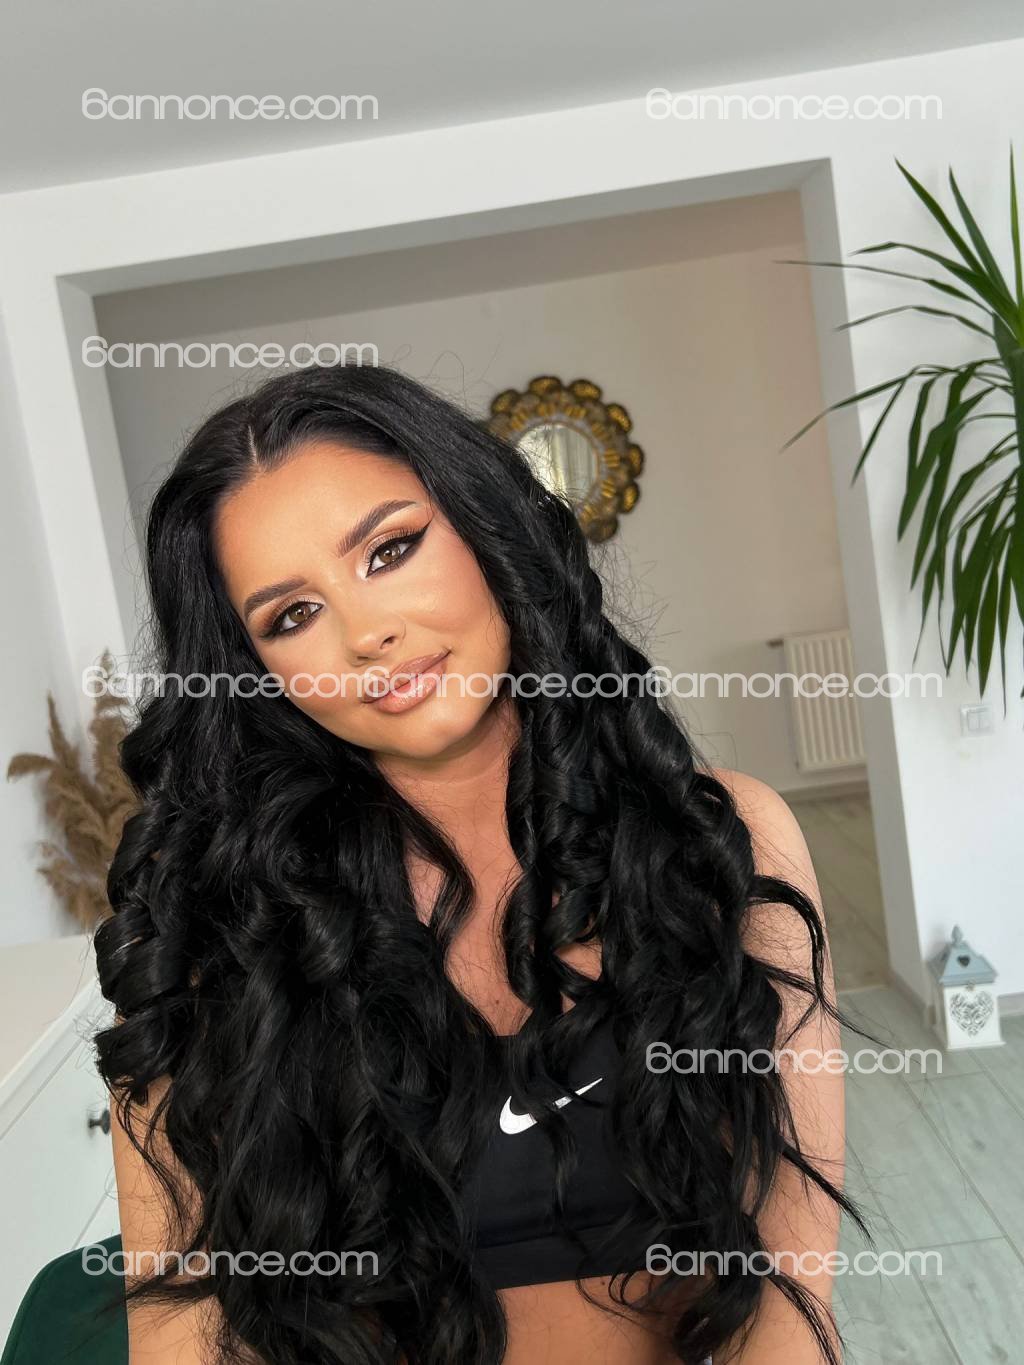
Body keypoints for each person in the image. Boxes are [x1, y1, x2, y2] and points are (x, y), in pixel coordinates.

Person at [92, 363, 855, 1365]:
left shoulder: (722, 838)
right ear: (257, 673)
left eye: (390, 550)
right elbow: (178, 1332)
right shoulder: (210, 925)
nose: (367, 634)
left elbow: (793, 1287)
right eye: (292, 615)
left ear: (487, 527)